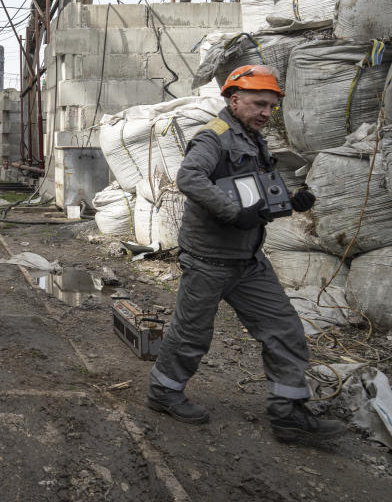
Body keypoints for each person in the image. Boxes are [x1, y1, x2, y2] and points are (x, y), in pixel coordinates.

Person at [146, 65, 342, 442]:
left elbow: (255, 192)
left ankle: (289, 413)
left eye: (271, 106)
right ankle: (164, 392)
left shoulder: (255, 140)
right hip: (207, 259)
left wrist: (290, 200)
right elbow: (190, 178)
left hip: (248, 261)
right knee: (191, 334)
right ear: (234, 100)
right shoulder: (214, 137)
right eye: (258, 104)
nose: (266, 113)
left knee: (283, 328)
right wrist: (231, 212)